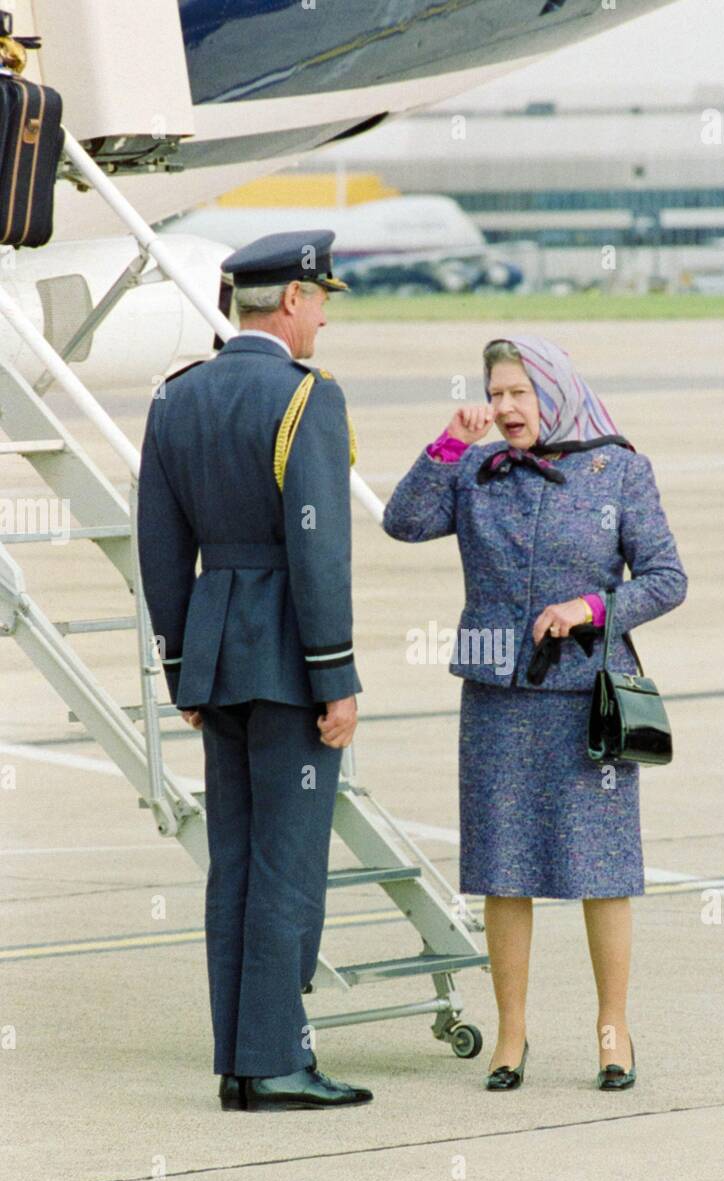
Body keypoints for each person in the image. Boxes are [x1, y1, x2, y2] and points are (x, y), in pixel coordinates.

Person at [382, 334, 687, 1091]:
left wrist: (591, 606)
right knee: (501, 869)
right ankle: (510, 1035)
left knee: (600, 870)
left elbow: (666, 577)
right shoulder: (478, 471)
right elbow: (402, 522)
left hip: (589, 700)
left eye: (519, 392)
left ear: (553, 391)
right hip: (496, 695)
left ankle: (612, 1029)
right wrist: (448, 444)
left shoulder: (618, 468)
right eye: (496, 394)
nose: (505, 407)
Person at [136, 229, 372, 1113]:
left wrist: (180, 664)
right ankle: (273, 1060)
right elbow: (319, 551)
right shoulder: (304, 397)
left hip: (215, 653)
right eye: (319, 302)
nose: (320, 319)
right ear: (288, 303)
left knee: (233, 863)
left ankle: (239, 1060)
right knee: (285, 863)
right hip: (287, 658)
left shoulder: (176, 396)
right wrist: (335, 674)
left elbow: (161, 548)